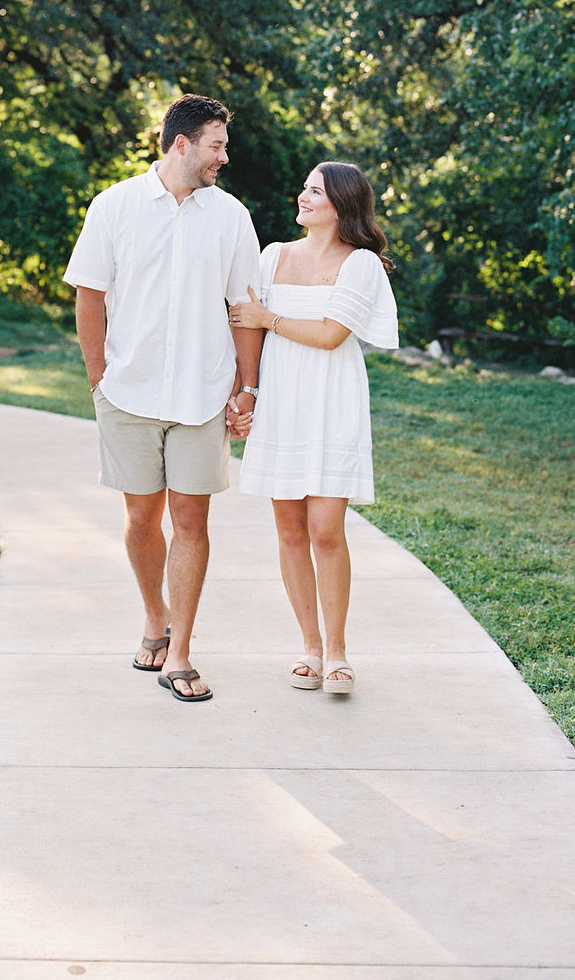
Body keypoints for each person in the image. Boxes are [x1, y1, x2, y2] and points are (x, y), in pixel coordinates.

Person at [64, 95, 262, 703]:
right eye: (216, 145)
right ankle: (155, 616)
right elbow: (90, 295)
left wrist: (246, 386)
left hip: (202, 393)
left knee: (192, 520)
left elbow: (245, 309)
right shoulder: (114, 206)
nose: (224, 157)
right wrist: (99, 375)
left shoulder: (231, 218)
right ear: (181, 143)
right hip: (128, 391)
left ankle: (180, 652)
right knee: (142, 519)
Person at [229, 162, 398, 694]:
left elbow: (330, 336)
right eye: (303, 186)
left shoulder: (362, 264)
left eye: (315, 191)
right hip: (280, 402)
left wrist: (269, 320)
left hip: (332, 404)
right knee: (289, 530)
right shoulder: (273, 255)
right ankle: (310, 646)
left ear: (342, 205)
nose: (302, 196)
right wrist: (247, 391)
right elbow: (245, 332)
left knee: (326, 531)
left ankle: (339, 651)